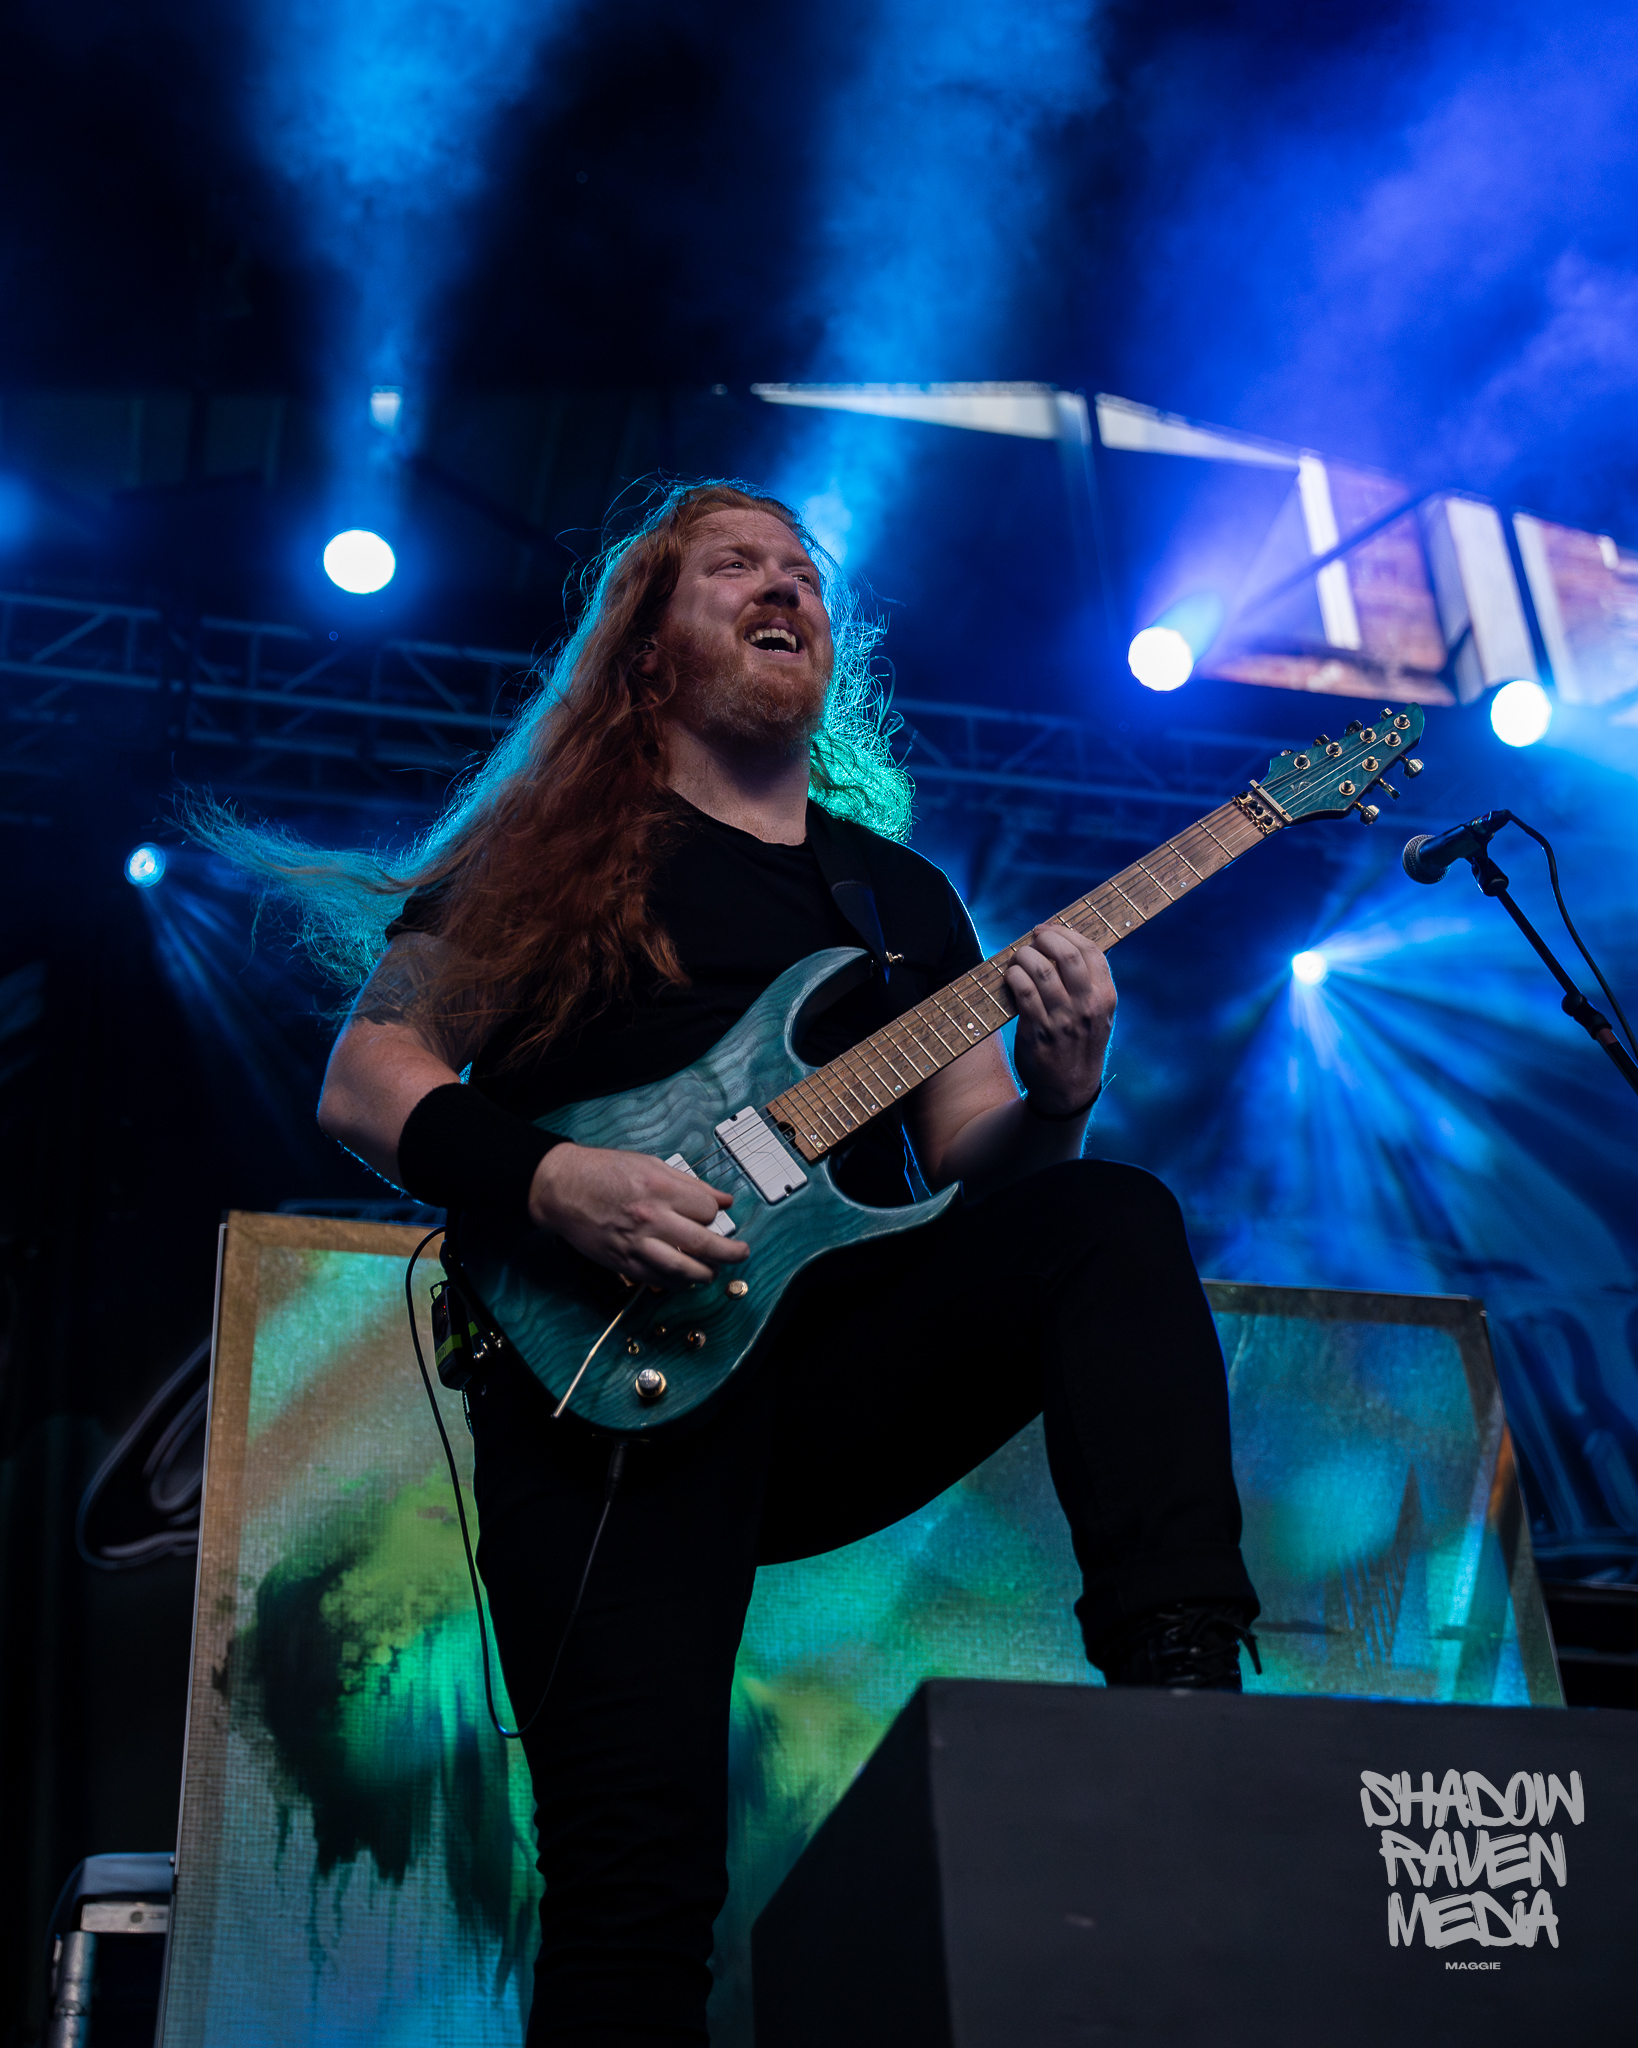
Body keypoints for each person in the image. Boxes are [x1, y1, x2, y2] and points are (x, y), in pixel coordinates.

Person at [242, 481, 1257, 2045]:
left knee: (1107, 1217)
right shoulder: (547, 849)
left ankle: (1187, 1697)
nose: (783, 587)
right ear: (648, 639)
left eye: (803, 573)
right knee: (634, 1885)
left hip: (838, 1368)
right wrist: (553, 1181)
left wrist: (1058, 1089)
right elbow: (369, 1074)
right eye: (735, 566)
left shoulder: (894, 896)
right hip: (597, 1382)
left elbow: (981, 1161)